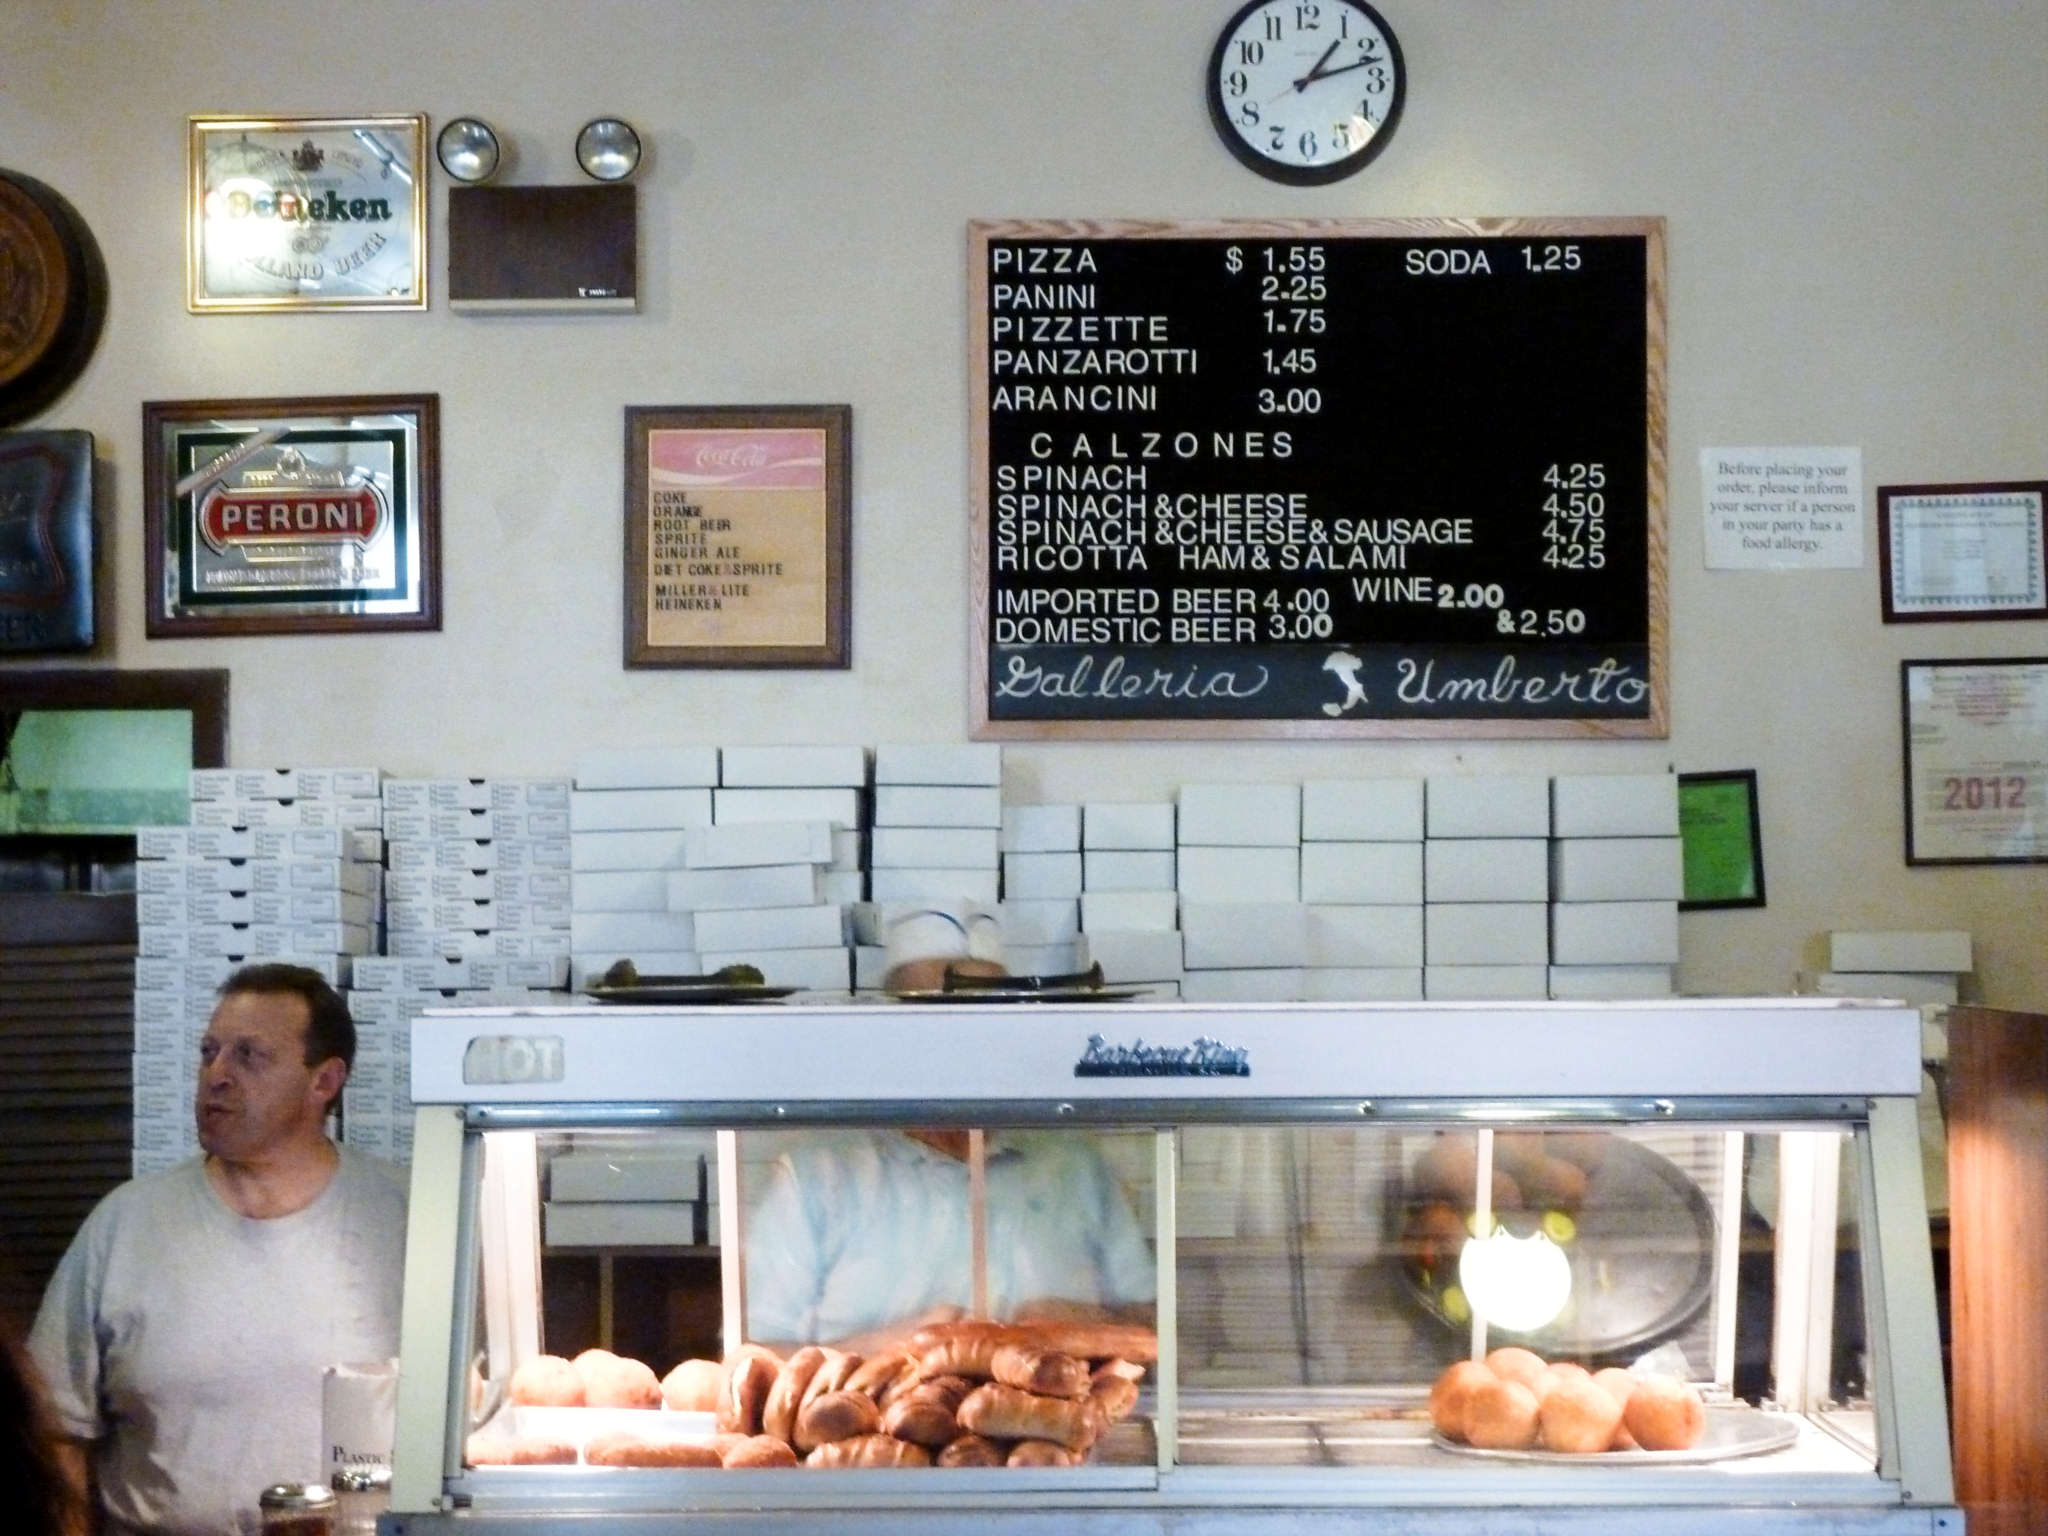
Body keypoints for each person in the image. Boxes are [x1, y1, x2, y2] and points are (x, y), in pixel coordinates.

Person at [29, 964, 409, 1536]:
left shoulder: (406, 1216)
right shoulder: (125, 1225)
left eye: (250, 1056)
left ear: (324, 1081)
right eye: (210, 1052)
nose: (217, 1075)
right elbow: (57, 1430)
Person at [742, 1127, 1156, 1352]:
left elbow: (1155, 1332)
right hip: (861, 1476)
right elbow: (756, 1357)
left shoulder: (1075, 1166)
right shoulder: (819, 1172)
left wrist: (1078, 1326)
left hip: (1058, 1459)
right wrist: (891, 1346)